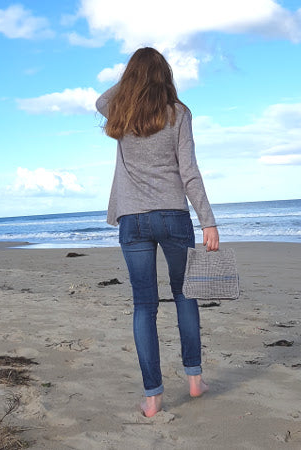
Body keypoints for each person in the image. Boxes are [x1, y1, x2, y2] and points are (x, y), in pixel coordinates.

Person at [96, 47, 219, 418]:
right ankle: (194, 379)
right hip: (173, 216)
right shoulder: (178, 113)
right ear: (165, 75)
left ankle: (153, 397)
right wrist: (208, 220)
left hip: (133, 220)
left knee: (144, 307)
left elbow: (102, 98)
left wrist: (133, 82)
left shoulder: (121, 112)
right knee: (185, 297)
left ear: (132, 77)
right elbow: (190, 171)